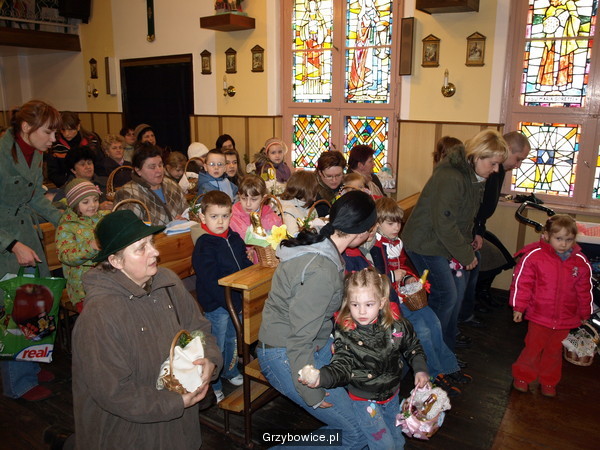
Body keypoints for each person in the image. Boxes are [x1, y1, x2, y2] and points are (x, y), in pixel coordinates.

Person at [72, 210, 222, 448]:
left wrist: (210, 359)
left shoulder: (167, 282)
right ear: (116, 261)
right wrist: (175, 403)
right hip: (131, 434)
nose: (155, 252)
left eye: (151, 242)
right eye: (141, 248)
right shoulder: (99, 316)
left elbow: (198, 328)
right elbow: (114, 393)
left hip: (180, 425)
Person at [257, 190, 378, 450]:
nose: (372, 235)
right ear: (360, 231)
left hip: (312, 345)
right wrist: (311, 392)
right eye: (371, 230)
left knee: (361, 416)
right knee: (356, 433)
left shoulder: (325, 245)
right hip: (286, 354)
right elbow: (299, 338)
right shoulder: (321, 269)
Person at [298, 267, 429, 450]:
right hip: (364, 400)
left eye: (369, 304)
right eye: (355, 305)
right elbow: (342, 365)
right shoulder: (346, 333)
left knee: (397, 438)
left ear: (381, 302)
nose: (361, 311)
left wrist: (420, 368)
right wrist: (321, 377)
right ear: (347, 303)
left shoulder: (396, 325)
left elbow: (412, 346)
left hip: (392, 394)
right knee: (383, 444)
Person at [402, 130, 508, 350]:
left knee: (455, 296)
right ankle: (430, 352)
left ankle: (446, 350)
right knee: (446, 297)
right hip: (425, 243)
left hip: (442, 242)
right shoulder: (451, 176)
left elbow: (464, 216)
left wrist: (469, 241)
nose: (496, 170)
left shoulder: (472, 175)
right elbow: (444, 222)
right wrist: (466, 255)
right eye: (493, 163)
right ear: (477, 156)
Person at [370, 197, 471, 395]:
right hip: (391, 301)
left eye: (399, 222)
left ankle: (448, 366)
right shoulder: (375, 246)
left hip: (405, 295)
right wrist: (393, 276)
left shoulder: (396, 242)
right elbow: (376, 275)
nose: (396, 227)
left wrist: (409, 277)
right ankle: (434, 373)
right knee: (422, 331)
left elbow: (404, 265)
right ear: (378, 223)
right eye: (390, 223)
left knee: (434, 322)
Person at [0, 99, 62, 402]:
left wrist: (66, 220)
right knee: (15, 310)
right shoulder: (1, 154)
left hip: (27, 235)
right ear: (26, 127)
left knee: (36, 303)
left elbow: (36, 197)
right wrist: (12, 244)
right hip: (6, 242)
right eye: (48, 132)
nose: (53, 139)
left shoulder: (35, 153)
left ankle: (32, 363)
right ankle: (18, 382)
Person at [510, 214, 593, 397]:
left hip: (566, 317)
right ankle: (523, 377)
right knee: (533, 348)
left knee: (554, 351)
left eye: (569, 240)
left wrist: (585, 312)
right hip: (539, 314)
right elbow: (522, 283)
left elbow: (584, 290)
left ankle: (548, 381)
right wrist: (519, 307)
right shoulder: (535, 257)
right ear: (547, 236)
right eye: (559, 238)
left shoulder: (580, 262)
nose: (563, 244)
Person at [191, 191, 253, 403]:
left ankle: (230, 370)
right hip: (217, 304)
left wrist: (252, 272)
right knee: (216, 344)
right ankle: (214, 383)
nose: (220, 221)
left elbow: (243, 263)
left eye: (225, 216)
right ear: (203, 217)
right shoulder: (204, 245)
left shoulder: (234, 238)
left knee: (233, 339)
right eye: (214, 216)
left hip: (235, 300)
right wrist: (230, 303)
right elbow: (209, 281)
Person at [473, 131, 531, 312]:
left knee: (505, 258)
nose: (518, 165)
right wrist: (477, 231)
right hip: (471, 226)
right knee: (494, 257)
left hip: (478, 225)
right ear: (507, 149)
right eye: (518, 159)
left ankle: (481, 293)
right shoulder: (486, 169)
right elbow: (475, 206)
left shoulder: (499, 171)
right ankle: (475, 297)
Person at [55, 179, 109, 312]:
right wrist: (90, 247)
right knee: (96, 317)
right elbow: (66, 256)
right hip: (82, 288)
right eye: (85, 202)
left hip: (108, 279)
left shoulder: (102, 218)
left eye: (95, 200)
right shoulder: (66, 227)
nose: (93, 205)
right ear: (74, 204)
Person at [114, 143, 187, 226]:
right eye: (152, 167)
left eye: (160, 165)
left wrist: (186, 218)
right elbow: (130, 228)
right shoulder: (128, 194)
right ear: (138, 170)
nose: (159, 170)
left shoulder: (172, 185)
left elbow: (187, 211)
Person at [45, 111, 100, 187]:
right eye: (63, 130)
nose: (67, 134)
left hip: (94, 182)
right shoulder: (56, 145)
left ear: (78, 127)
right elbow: (53, 173)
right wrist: (69, 184)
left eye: (70, 129)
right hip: (67, 185)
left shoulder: (91, 140)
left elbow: (100, 164)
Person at [230, 174, 281, 245]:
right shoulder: (231, 218)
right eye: (243, 198)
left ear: (263, 198)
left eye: (254, 199)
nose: (248, 204)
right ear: (239, 195)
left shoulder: (272, 219)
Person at [279, 170, 319, 237]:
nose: (317, 192)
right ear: (308, 191)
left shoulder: (308, 205)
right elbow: (293, 235)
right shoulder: (288, 210)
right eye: (315, 189)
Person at [313, 150, 346, 217]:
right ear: (320, 173)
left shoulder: (348, 185)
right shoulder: (311, 191)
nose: (334, 180)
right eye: (329, 176)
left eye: (338, 175)